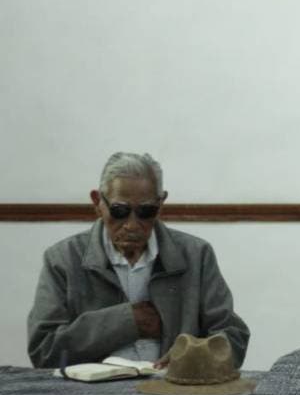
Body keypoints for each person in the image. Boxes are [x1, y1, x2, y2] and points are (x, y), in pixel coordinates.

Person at [27, 152, 249, 368]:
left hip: (172, 386)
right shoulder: (63, 260)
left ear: (161, 204)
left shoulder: (196, 256)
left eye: (146, 211)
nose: (132, 225)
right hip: (94, 389)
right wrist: (127, 321)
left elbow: (232, 336)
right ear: (97, 202)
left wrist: (194, 355)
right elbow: (44, 350)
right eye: (119, 211)